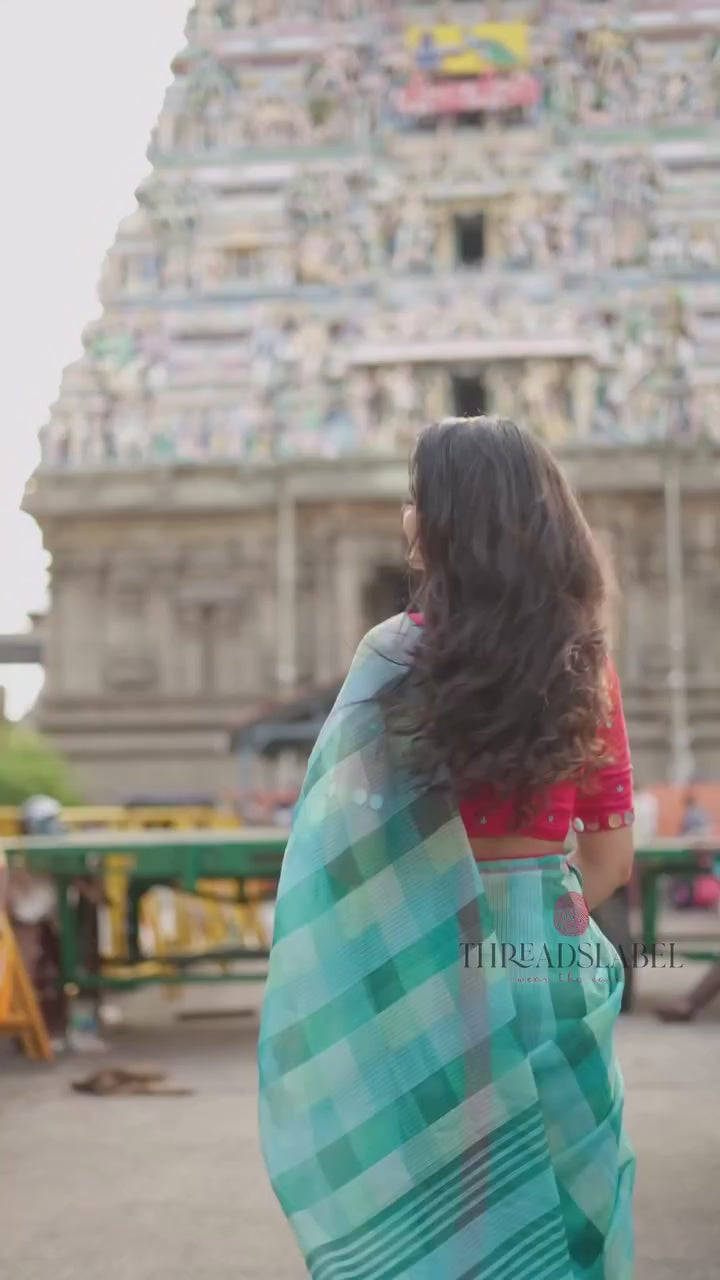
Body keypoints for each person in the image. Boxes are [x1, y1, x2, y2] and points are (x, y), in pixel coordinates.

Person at [258, 418, 635, 1278]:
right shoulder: (587, 665)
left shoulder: (392, 660)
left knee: (446, 1228)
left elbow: (342, 849)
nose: (406, 516)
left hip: (421, 974)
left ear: (446, 520)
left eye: (414, 498)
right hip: (551, 966)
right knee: (566, 1216)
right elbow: (612, 863)